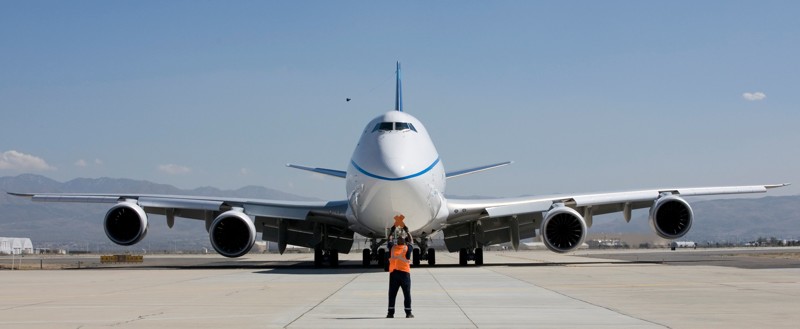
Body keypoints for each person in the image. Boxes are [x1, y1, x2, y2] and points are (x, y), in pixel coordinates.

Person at [387, 226, 414, 318]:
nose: (399, 239)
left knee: (392, 294)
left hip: (394, 274)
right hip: (404, 274)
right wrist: (408, 231)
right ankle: (408, 313)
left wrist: (391, 231)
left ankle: (390, 313)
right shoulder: (407, 249)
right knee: (406, 294)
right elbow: (411, 241)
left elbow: (389, 240)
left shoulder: (393, 248)